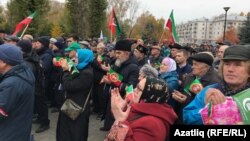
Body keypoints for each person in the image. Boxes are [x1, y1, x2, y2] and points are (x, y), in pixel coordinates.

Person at [183, 45, 250, 125]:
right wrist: (209, 111)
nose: (230, 69)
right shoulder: (209, 91)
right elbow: (187, 116)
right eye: (227, 64)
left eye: (238, 65)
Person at [106, 77, 177, 141]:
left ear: (149, 94)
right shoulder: (140, 108)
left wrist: (121, 121)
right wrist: (121, 109)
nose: (134, 90)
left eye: (139, 89)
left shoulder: (153, 124)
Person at [56, 49, 94, 141]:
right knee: (67, 132)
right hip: (71, 104)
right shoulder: (80, 68)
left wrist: (65, 71)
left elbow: (68, 85)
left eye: (77, 57)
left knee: (74, 133)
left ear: (83, 58)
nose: (74, 59)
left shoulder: (86, 73)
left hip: (77, 107)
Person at [0, 44, 35, 141]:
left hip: (9, 134)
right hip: (19, 130)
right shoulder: (23, 71)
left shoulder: (11, 84)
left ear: (4, 62)